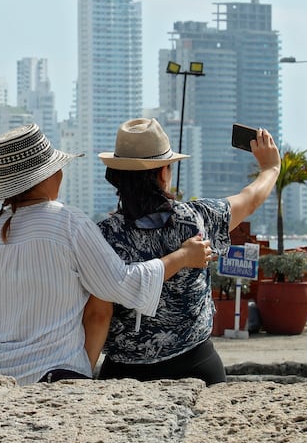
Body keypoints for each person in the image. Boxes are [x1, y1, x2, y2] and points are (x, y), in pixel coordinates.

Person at [0, 123, 214, 385]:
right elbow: (122, 285)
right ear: (48, 176)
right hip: (52, 376)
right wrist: (183, 256)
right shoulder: (67, 222)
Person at [89, 117, 280, 385]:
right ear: (163, 172)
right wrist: (270, 168)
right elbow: (250, 199)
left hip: (124, 372)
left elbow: (98, 315)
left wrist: (83, 375)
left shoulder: (104, 235)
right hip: (196, 364)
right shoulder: (196, 219)